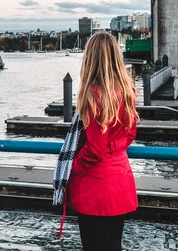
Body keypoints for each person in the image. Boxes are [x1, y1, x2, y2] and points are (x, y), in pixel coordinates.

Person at [68, 31, 138, 251]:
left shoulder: (93, 95)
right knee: (113, 245)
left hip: (95, 188)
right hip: (119, 181)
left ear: (90, 58)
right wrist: (113, 149)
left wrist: (75, 165)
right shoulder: (127, 91)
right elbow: (130, 135)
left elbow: (95, 148)